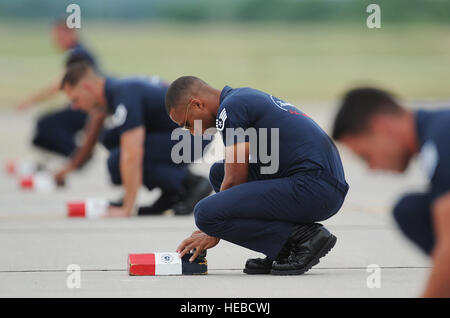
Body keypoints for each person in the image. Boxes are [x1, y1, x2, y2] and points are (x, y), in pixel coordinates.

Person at [167, 76, 349, 275]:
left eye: (186, 124)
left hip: (315, 186)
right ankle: (284, 247)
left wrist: (212, 230)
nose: (191, 132)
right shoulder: (239, 98)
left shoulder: (231, 108)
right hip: (319, 182)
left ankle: (305, 238)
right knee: (218, 173)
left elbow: (236, 178)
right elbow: (235, 172)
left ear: (197, 104)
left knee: (205, 213)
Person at [331, 87, 450, 297]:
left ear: (381, 127)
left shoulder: (442, 138)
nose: (371, 168)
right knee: (412, 210)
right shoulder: (437, 133)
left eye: (366, 156)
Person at [60, 63, 212, 217]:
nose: (75, 106)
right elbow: (94, 133)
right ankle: (171, 193)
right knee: (109, 138)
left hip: (197, 135)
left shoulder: (124, 95)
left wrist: (127, 208)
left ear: (87, 87)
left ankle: (190, 183)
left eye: (75, 99)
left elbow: (132, 154)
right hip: (187, 131)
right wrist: (66, 170)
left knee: (116, 160)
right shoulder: (117, 89)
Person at [17, 20, 99, 163]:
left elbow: (61, 84)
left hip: (89, 107)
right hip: (86, 105)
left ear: (71, 34)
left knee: (45, 125)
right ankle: (73, 157)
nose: (56, 41)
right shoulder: (78, 51)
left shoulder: (78, 54)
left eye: (59, 37)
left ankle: (79, 157)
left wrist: (30, 100)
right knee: (42, 133)